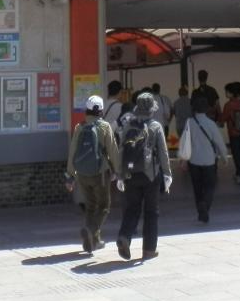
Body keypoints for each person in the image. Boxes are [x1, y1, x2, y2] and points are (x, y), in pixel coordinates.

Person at [114, 91, 172, 260]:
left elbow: (121, 151)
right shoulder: (156, 126)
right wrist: (167, 174)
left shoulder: (128, 126)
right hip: (150, 175)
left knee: (132, 209)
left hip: (130, 175)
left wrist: (119, 175)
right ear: (152, 109)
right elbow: (163, 153)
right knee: (151, 212)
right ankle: (149, 250)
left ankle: (124, 237)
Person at [65, 95, 121, 253]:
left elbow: (73, 152)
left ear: (87, 110)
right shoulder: (105, 127)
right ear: (101, 110)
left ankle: (93, 241)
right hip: (100, 173)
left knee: (90, 206)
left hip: (82, 174)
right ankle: (91, 230)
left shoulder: (80, 127)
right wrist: (118, 171)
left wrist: (70, 176)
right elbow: (113, 151)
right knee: (104, 206)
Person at [178, 94, 228, 224]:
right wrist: (224, 156)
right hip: (209, 160)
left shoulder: (189, 123)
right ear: (206, 109)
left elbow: (184, 142)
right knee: (210, 186)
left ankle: (201, 211)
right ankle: (205, 206)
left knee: (197, 187)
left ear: (194, 108)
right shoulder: (211, 123)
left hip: (194, 161)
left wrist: (183, 159)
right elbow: (219, 142)